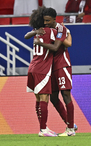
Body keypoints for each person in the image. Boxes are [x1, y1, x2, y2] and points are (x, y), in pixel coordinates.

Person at [33, 7, 76, 136]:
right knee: (53, 97)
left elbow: (65, 44)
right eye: (44, 21)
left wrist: (67, 34)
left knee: (66, 94)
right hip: (50, 68)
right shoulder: (47, 29)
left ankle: (70, 129)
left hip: (62, 65)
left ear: (54, 19)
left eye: (48, 21)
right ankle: (70, 123)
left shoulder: (60, 29)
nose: (46, 23)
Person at [24, 6, 58, 137]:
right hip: (42, 68)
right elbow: (59, 44)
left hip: (32, 67)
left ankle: (43, 128)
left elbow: (26, 35)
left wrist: (34, 32)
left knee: (38, 99)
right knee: (44, 98)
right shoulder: (50, 31)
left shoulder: (36, 31)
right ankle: (43, 129)